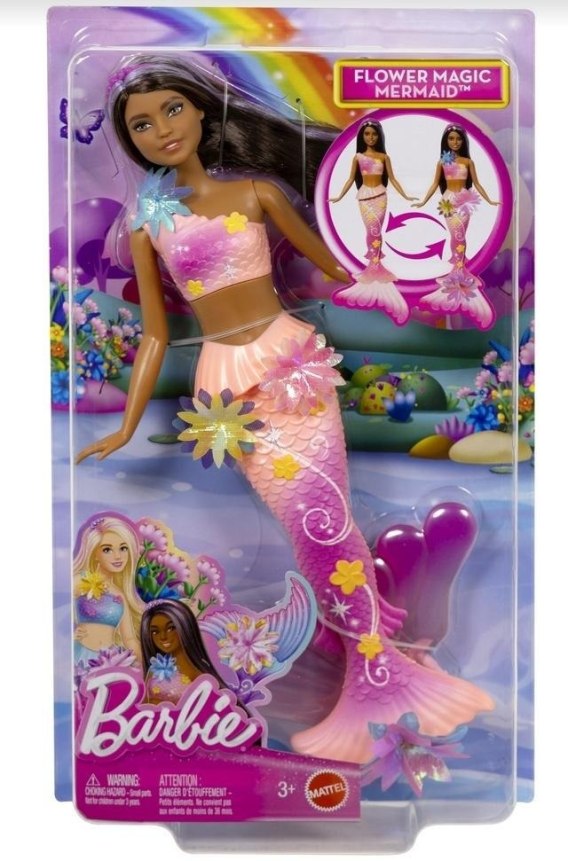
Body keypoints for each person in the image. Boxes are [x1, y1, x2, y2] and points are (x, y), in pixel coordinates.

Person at [77, 55, 493, 763]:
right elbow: (153, 334)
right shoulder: (150, 227)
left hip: (290, 364)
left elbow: (337, 266)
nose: (161, 130)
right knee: (311, 530)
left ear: (202, 111)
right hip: (225, 392)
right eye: (141, 125)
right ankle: (368, 656)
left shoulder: (257, 194)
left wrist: (426, 272)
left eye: (172, 110)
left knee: (325, 521)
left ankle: (374, 666)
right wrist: (124, 425)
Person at [412, 123, 500, 329]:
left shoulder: (467, 162)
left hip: (465, 199)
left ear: (463, 141)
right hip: (448, 200)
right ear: (446, 141)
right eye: (451, 139)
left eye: (458, 139)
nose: (455, 142)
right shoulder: (443, 162)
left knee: (461, 236)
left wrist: (490, 199)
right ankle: (456, 271)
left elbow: (476, 183)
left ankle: (459, 271)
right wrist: (423, 202)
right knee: (455, 236)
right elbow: (435, 184)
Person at [329, 119, 416, 325]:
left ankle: (376, 265)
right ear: (362, 137)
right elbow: (351, 179)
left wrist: (406, 196)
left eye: (374, 134)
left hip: (380, 195)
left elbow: (392, 179)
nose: (370, 137)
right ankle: (373, 266)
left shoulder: (383, 157)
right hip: (364, 195)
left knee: (377, 231)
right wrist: (339, 196)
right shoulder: (358, 157)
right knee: (371, 231)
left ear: (378, 137)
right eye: (367, 134)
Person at [73, 514, 145, 664]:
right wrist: (69, 631)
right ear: (95, 554)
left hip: (109, 661)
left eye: (123, 548)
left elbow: (129, 639)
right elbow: (59, 609)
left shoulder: (119, 595)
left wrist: (146, 666)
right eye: (107, 550)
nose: (118, 556)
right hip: (80, 657)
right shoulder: (80, 581)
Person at [141, 599, 226, 704]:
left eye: (171, 628)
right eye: (155, 632)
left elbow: (207, 705)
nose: (163, 637)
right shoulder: (155, 668)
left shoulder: (198, 670)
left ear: (185, 627)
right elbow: (143, 704)